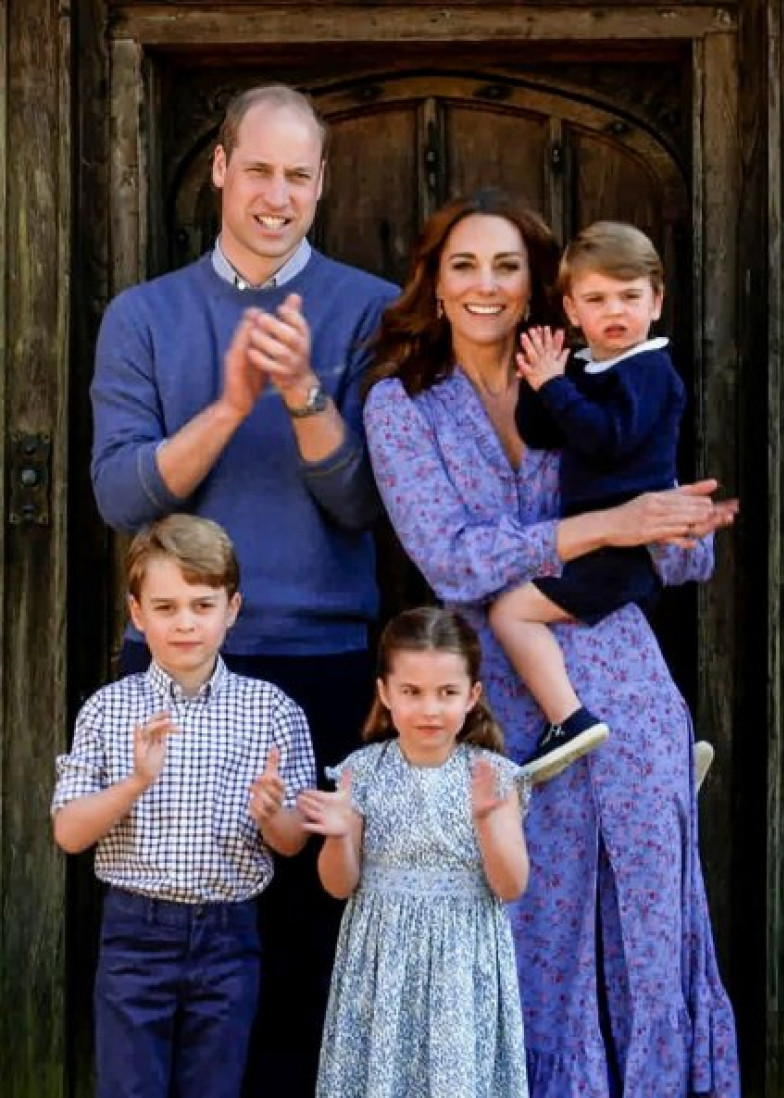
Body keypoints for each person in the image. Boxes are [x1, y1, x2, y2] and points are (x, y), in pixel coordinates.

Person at [363, 189, 740, 1096]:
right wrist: (606, 527)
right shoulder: (402, 405)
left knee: (649, 929)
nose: (486, 285)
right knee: (530, 924)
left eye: (506, 266)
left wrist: (680, 527)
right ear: (436, 284)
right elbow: (453, 564)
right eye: (464, 266)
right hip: (500, 706)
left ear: (539, 287)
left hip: (626, 683)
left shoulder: (595, 374)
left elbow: (680, 557)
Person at [90, 84, 397, 1095]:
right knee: (184, 930)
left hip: (319, 661)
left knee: (310, 932)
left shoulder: (369, 311)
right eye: (257, 169)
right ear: (219, 167)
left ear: (321, 185)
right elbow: (118, 492)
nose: (276, 194)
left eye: (297, 175)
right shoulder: (144, 316)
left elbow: (364, 506)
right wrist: (227, 406)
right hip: (179, 665)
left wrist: (304, 393)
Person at [51, 514, 316, 1098]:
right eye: (166, 607)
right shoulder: (108, 710)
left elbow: (294, 841)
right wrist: (134, 783)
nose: (186, 623)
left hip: (229, 934)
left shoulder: (271, 710)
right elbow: (69, 834)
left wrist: (274, 814)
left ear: (233, 608)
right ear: (137, 613)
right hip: (135, 933)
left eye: (202, 604)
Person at [298, 607, 530, 1098]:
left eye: (447, 693)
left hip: (462, 962)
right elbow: (338, 885)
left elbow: (511, 886)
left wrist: (487, 819)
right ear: (385, 693)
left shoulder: (493, 776)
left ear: (473, 696)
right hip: (382, 960)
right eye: (412, 692)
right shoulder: (362, 771)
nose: (429, 710)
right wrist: (339, 835)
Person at [488, 221, 686, 782]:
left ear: (657, 301)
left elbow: (606, 437)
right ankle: (662, 754)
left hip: (622, 550)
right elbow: (542, 431)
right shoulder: (589, 368)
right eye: (597, 299)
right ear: (573, 311)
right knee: (613, 654)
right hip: (597, 542)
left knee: (511, 611)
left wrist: (557, 386)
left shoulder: (649, 370)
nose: (615, 311)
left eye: (629, 296)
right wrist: (540, 379)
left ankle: (568, 720)